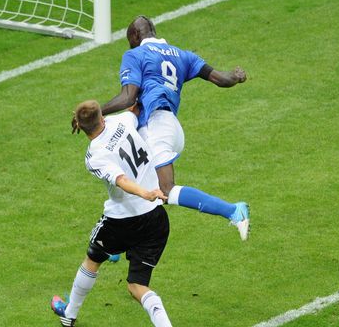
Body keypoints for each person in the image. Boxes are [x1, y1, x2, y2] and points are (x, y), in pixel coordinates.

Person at [94, 15, 250, 239]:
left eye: (129, 40)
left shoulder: (135, 54)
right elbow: (220, 79)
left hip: (157, 127)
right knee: (134, 178)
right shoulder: (183, 55)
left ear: (136, 36)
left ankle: (234, 211)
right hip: (171, 128)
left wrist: (96, 113)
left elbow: (128, 98)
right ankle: (115, 243)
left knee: (165, 191)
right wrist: (235, 76)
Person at [51, 100, 174, 327]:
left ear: (78, 124)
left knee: (93, 258)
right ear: (102, 116)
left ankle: (69, 315)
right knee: (137, 286)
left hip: (122, 221)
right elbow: (135, 109)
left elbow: (121, 180)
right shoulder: (122, 120)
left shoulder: (94, 155)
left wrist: (144, 193)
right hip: (156, 218)